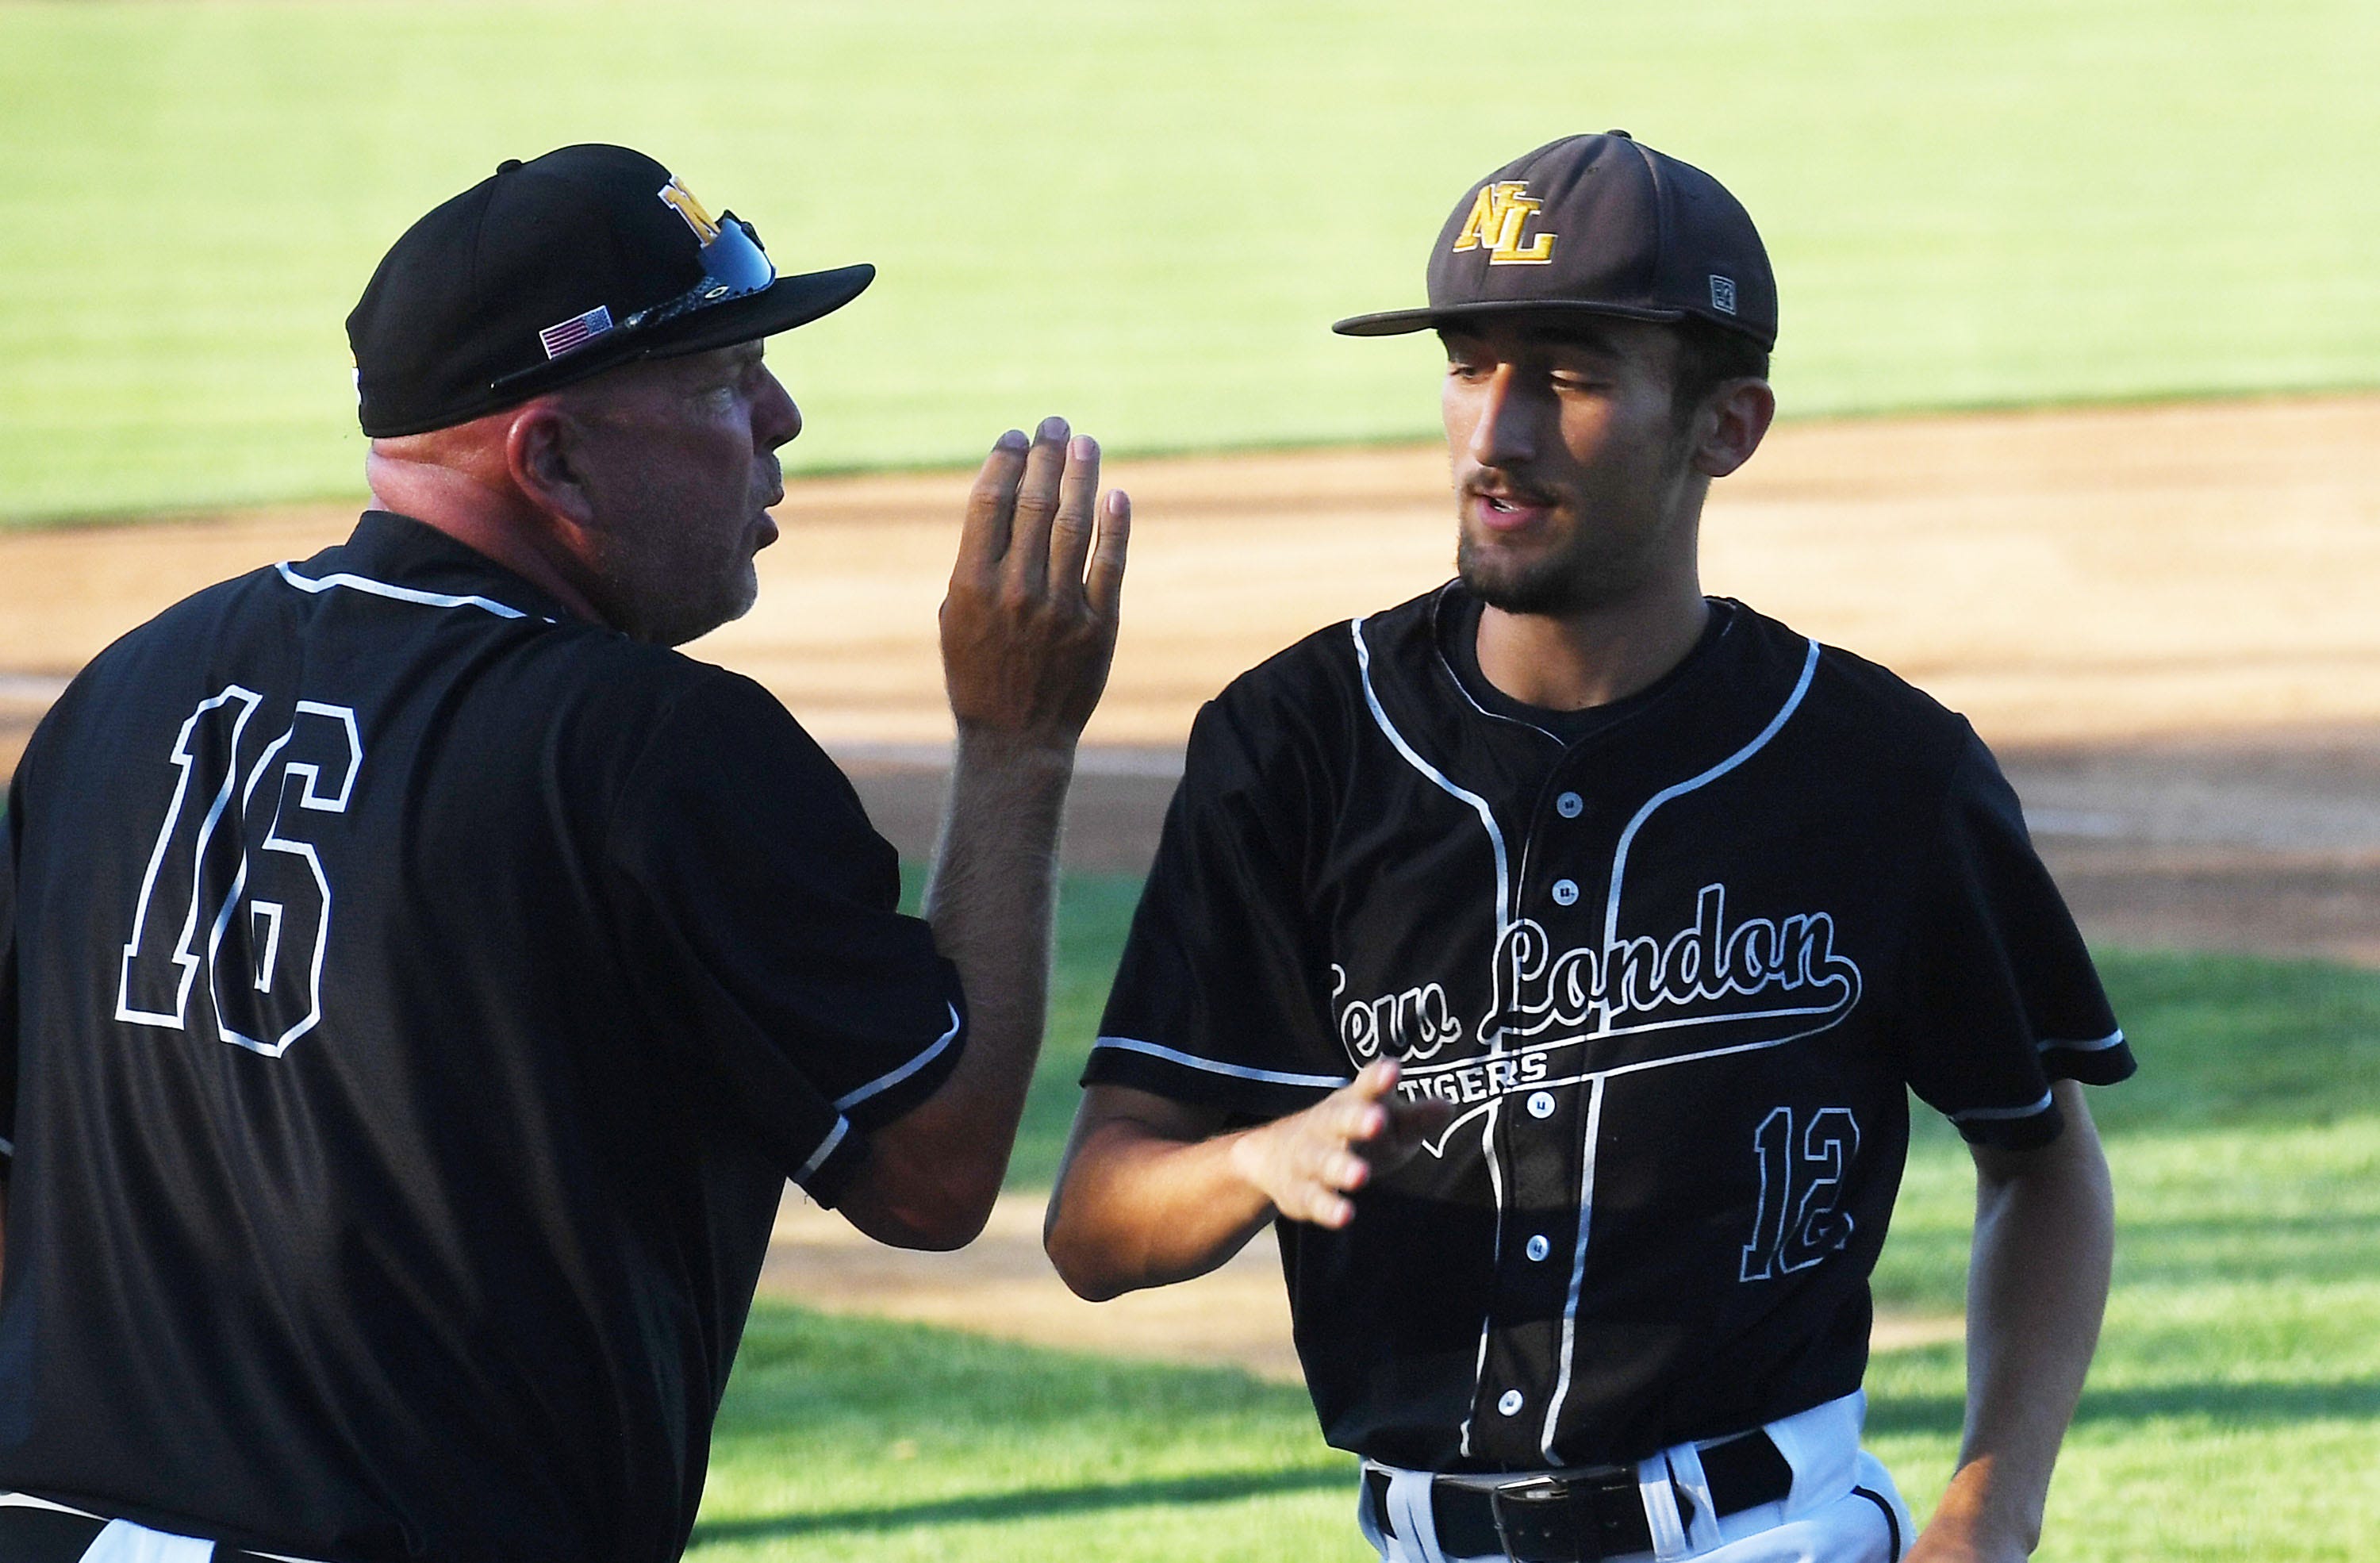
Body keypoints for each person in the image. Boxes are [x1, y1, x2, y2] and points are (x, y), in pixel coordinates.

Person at [0, 144, 1127, 1561]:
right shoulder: (657, 751)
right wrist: (1016, 739)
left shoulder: (120, 695)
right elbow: (932, 1170)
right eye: (720, 381)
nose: (781, 416)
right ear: (552, 455)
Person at [1045, 132, 2129, 1563]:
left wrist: (1991, 1510)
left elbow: (2041, 1158)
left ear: (1725, 425)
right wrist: (1260, 1158)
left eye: (1566, 376)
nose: (1497, 433)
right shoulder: (1298, 745)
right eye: (1467, 362)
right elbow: (1096, 1219)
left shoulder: (1881, 772)